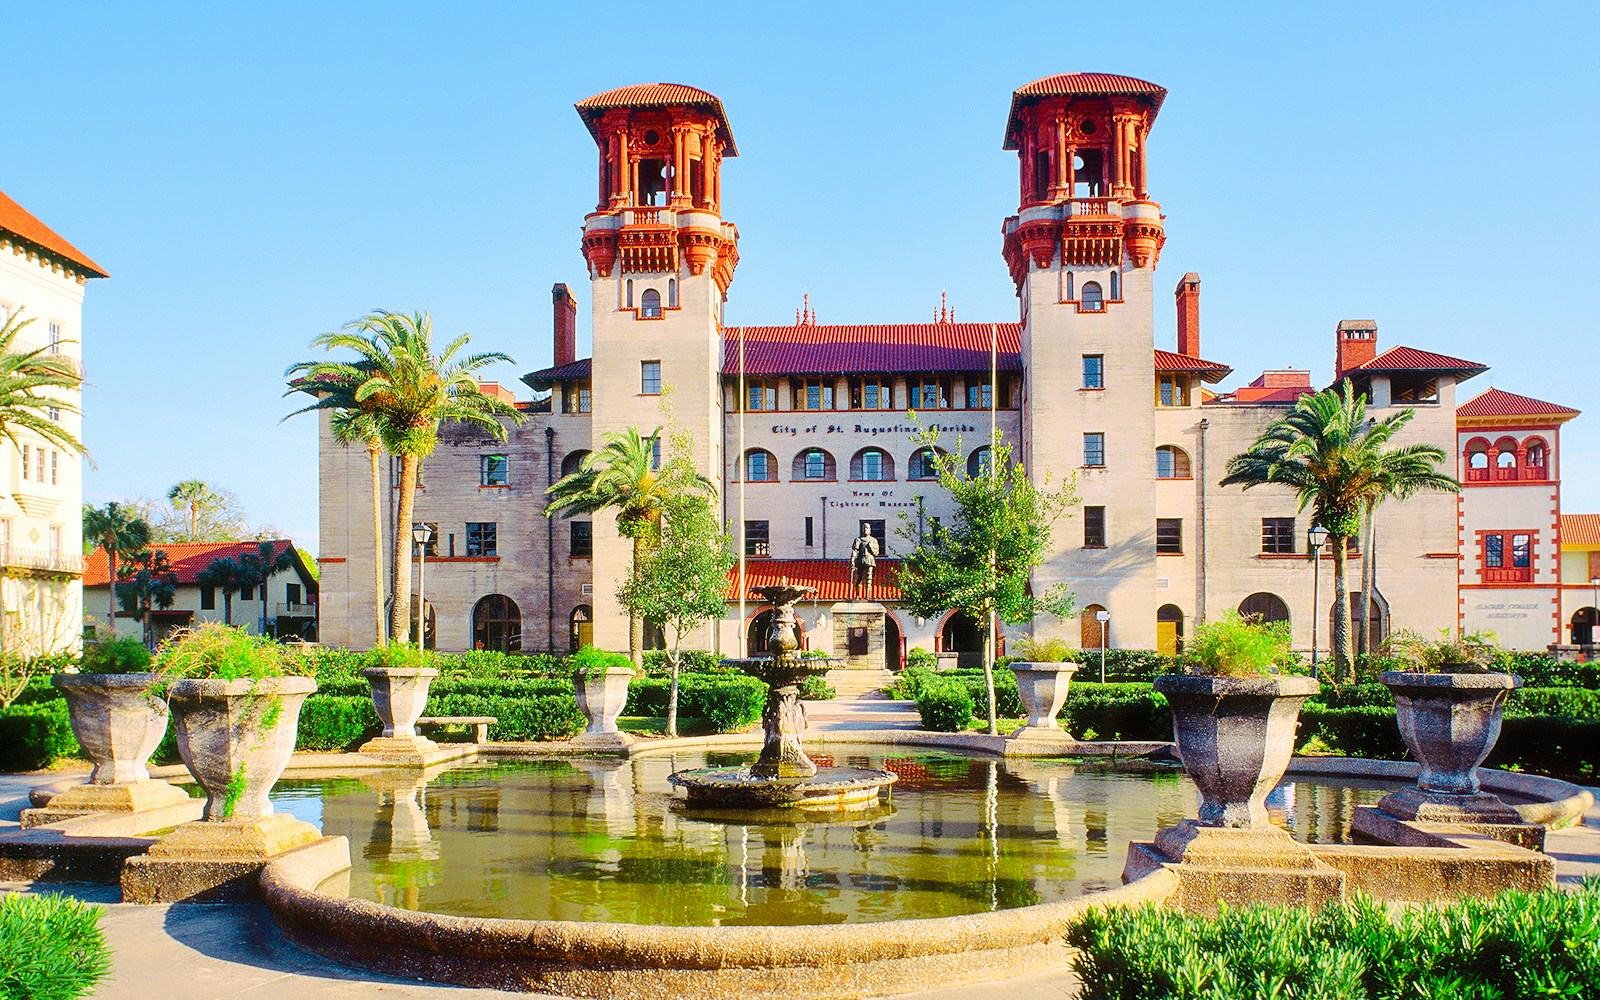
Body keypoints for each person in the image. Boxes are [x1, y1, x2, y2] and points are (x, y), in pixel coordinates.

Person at [849, 524, 880, 600]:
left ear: (870, 530)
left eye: (867, 528)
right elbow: (855, 551)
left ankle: (867, 595)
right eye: (864, 528)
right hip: (860, 560)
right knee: (858, 578)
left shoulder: (873, 540)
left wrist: (871, 547)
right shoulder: (858, 540)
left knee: (869, 578)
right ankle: (857, 595)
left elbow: (876, 552)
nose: (865, 529)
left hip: (870, 560)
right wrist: (852, 561)